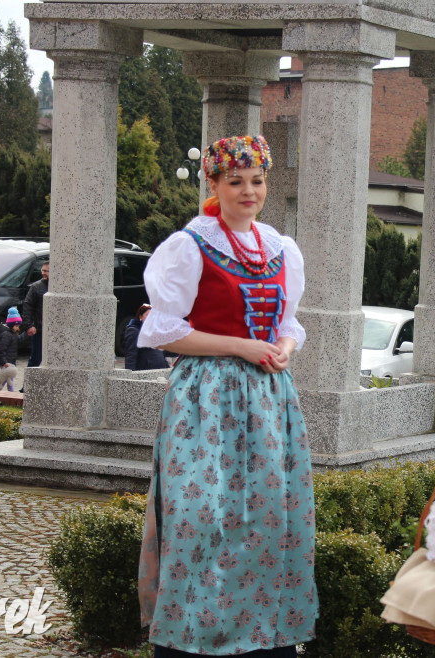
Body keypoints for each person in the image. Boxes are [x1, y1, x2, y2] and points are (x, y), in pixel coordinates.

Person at [136, 135, 316, 658]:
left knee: (266, 517)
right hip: (204, 399)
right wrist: (241, 346)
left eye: (256, 180)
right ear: (212, 185)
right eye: (234, 181)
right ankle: (190, 634)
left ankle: (263, 636)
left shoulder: (281, 248)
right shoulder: (190, 246)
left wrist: (281, 346)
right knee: (201, 515)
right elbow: (166, 332)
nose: (248, 190)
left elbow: (288, 323)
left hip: (267, 401)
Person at [124, 304, 170, 371]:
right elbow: (131, 355)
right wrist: (129, 375)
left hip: (160, 371)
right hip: (145, 371)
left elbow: (161, 353)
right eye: (147, 315)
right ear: (140, 316)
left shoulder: (156, 331)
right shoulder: (134, 330)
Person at [0, 307, 26, 392]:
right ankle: (6, 392)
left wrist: (26, 334)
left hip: (10, 361)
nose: (18, 328)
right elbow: (1, 349)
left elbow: (19, 340)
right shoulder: (6, 335)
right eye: (16, 326)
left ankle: (5, 392)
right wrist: (3, 362)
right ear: (11, 325)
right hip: (6, 362)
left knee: (8, 379)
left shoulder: (13, 334)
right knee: (7, 378)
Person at [22, 261, 49, 368]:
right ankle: (27, 384)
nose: (43, 273)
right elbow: (27, 306)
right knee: (35, 359)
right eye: (43, 270)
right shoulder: (36, 287)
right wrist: (28, 325)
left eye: (46, 271)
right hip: (39, 329)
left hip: (54, 330)